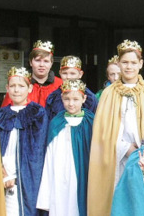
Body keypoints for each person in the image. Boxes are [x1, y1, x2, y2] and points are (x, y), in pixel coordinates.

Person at [87, 39, 144, 216]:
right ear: (118, 64)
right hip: (116, 157)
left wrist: (143, 150)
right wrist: (126, 148)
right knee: (118, 203)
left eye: (133, 62)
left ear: (141, 64)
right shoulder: (108, 93)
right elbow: (103, 132)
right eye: (125, 62)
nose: (129, 67)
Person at [0, 67, 48, 216]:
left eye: (21, 86)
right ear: (7, 88)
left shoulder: (37, 113)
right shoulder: (0, 115)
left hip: (26, 174)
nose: (16, 90)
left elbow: (38, 149)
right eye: (12, 86)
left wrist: (20, 173)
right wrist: (2, 172)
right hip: (3, 171)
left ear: (29, 88)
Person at [37, 79, 94, 216]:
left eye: (76, 99)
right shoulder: (56, 122)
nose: (71, 103)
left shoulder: (91, 121)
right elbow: (50, 154)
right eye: (67, 99)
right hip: (60, 172)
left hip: (83, 171)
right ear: (62, 98)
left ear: (84, 98)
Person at [1, 40, 63, 107]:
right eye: (37, 60)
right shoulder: (18, 84)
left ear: (51, 63)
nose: (41, 65)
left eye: (46, 61)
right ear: (30, 62)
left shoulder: (60, 85)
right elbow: (5, 113)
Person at [45, 55, 98, 120]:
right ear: (60, 73)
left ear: (80, 74)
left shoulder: (90, 99)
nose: (68, 77)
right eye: (65, 73)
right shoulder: (53, 98)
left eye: (72, 73)